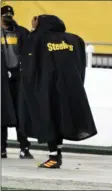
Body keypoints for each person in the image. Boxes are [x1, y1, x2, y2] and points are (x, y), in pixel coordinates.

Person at [18, 14, 97, 169]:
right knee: (61, 120)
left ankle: (54, 156)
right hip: (70, 88)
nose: (33, 24)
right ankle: (56, 155)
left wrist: (30, 86)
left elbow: (29, 64)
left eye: (35, 21)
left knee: (49, 120)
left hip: (46, 89)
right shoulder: (74, 39)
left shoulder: (38, 39)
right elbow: (81, 63)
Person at [1, 5, 34, 159]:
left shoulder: (21, 32)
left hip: (18, 77)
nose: (8, 17)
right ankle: (2, 148)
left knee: (21, 112)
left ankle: (24, 147)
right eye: (5, 15)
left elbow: (30, 50)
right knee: (2, 112)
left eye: (10, 14)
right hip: (1, 77)